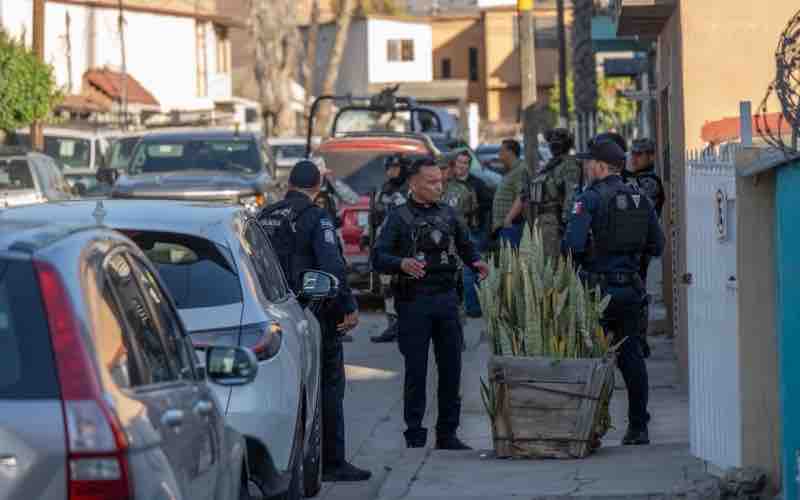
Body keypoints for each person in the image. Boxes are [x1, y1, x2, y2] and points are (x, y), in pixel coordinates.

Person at [258, 160, 371, 482]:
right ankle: (333, 463)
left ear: (289, 183)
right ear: (318, 186)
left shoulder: (265, 216)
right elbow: (331, 265)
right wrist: (347, 307)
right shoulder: (314, 217)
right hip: (311, 312)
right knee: (329, 388)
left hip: (270, 313)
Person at [372, 157, 489, 449]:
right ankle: (414, 433)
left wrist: (478, 263)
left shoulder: (449, 214)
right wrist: (401, 263)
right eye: (432, 182)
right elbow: (378, 257)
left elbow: (466, 245)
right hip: (414, 302)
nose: (439, 187)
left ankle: (448, 433)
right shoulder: (398, 217)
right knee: (416, 370)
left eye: (440, 181)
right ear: (414, 184)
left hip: (447, 300)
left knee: (452, 368)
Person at [562, 137, 665, 446]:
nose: (584, 166)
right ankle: (638, 428)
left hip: (597, 289)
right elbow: (657, 246)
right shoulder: (639, 198)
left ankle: (589, 429)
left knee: (590, 357)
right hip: (631, 288)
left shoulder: (589, 199)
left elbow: (573, 246)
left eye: (587, 162)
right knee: (631, 357)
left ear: (599, 165)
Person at [623, 138, 665, 354]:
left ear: (650, 156)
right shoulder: (631, 178)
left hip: (641, 246)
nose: (635, 157)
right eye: (633, 153)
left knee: (638, 293)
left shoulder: (651, 181)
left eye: (640, 154)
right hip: (630, 244)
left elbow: (637, 202)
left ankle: (640, 341)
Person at [518, 128, 582, 259]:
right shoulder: (552, 164)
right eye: (552, 141)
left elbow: (572, 194)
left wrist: (566, 222)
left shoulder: (569, 165)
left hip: (555, 220)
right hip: (542, 218)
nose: (553, 144)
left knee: (551, 262)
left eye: (557, 141)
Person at [369, 154, 410, 343]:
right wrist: (365, 235)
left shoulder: (409, 189)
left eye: (395, 167)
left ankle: (406, 325)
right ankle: (392, 324)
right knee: (386, 287)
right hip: (383, 244)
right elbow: (374, 215)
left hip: (401, 246)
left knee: (403, 285)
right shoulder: (383, 189)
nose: (391, 171)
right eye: (389, 167)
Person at [447, 150, 491, 317]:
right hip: (450, 233)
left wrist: (486, 233)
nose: (462, 166)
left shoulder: (478, 184)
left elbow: (488, 208)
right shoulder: (447, 184)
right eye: (460, 162)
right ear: (454, 164)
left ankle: (474, 309)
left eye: (466, 163)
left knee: (470, 271)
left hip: (472, 232)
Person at [491, 139, 527, 248]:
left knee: (511, 260)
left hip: (511, 226)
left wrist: (509, 218)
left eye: (501, 151)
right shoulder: (511, 170)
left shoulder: (520, 170)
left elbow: (522, 195)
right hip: (504, 226)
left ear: (510, 153)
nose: (499, 155)